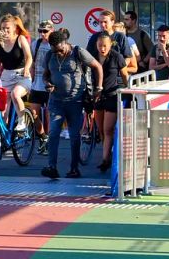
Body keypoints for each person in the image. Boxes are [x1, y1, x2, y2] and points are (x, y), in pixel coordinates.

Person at [42, 31, 103, 179]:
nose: (58, 53)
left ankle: (74, 168)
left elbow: (97, 66)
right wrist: (47, 83)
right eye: (55, 50)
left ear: (65, 43)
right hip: (56, 100)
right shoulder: (51, 54)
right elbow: (45, 74)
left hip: (75, 101)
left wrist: (98, 88)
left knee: (75, 136)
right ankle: (52, 167)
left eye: (60, 50)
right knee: (54, 132)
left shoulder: (78, 52)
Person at [91, 31, 129, 172]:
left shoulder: (116, 56)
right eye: (100, 45)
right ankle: (107, 152)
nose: (102, 48)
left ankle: (105, 160)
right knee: (100, 130)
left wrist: (128, 89)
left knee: (108, 129)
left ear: (110, 45)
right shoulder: (93, 58)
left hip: (112, 94)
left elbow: (125, 74)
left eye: (105, 46)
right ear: (96, 45)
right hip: (98, 96)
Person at [0, 14, 33, 132]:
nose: (5, 31)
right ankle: (3, 132)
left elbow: (29, 57)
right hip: (6, 75)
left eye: (7, 28)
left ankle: (22, 121)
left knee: (15, 94)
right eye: (2, 28)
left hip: (21, 75)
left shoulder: (20, 39)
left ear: (14, 28)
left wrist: (27, 68)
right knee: (2, 105)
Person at [29, 20, 54, 155]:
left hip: (49, 85)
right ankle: (43, 136)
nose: (42, 34)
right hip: (37, 84)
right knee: (34, 114)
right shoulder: (36, 44)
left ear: (51, 31)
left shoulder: (54, 45)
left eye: (45, 31)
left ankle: (49, 140)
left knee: (50, 114)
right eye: (40, 31)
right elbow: (32, 63)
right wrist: (30, 80)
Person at [86, 10, 137, 75]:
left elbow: (127, 57)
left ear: (112, 22)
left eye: (105, 22)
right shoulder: (94, 37)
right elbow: (88, 56)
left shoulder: (120, 36)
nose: (102, 25)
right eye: (100, 22)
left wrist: (118, 69)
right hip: (98, 76)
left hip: (117, 78)